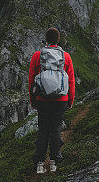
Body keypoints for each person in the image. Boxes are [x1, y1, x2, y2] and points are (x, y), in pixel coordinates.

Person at [28, 27, 75, 174]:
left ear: (46, 40)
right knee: (55, 129)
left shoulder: (37, 56)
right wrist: (70, 100)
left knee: (43, 130)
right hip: (61, 98)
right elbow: (71, 80)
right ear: (58, 40)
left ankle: (40, 163)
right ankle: (54, 162)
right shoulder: (66, 56)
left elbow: (31, 80)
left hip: (42, 98)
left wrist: (33, 100)